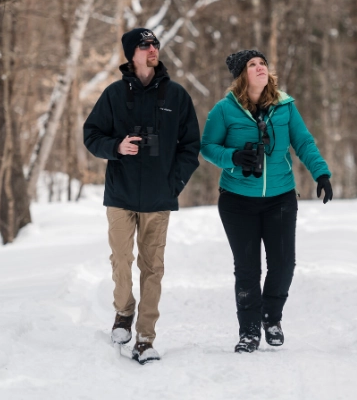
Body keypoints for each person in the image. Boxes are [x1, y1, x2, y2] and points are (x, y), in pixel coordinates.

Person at [200, 49, 333, 353]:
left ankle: (271, 318)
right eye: (252, 65)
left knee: (284, 264)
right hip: (237, 201)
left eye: (262, 63)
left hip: (280, 199)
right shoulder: (224, 110)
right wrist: (232, 157)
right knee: (247, 269)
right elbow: (207, 147)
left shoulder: (284, 107)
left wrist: (321, 174)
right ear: (242, 75)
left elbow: (303, 142)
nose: (260, 67)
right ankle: (248, 331)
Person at [83, 28, 200, 365]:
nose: (152, 49)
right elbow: (91, 135)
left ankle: (145, 338)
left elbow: (191, 146)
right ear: (131, 53)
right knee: (121, 260)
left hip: (158, 197)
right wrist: (116, 147)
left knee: (153, 268)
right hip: (120, 193)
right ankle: (123, 313)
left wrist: (174, 183)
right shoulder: (114, 95)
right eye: (145, 45)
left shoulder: (176, 96)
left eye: (155, 44)